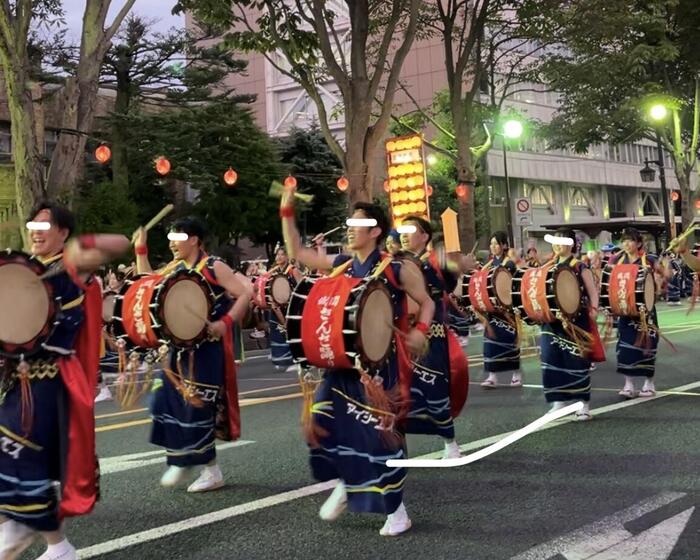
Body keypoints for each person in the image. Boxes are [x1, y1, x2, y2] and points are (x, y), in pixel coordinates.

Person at [281, 189, 434, 536]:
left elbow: (425, 302)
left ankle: (397, 510)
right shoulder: (342, 265)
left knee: (379, 440)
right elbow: (298, 253)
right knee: (320, 425)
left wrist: (421, 330)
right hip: (341, 364)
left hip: (380, 369)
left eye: (358, 224)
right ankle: (348, 481)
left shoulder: (397, 268)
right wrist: (287, 213)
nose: (351, 230)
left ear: (376, 230)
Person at [0, 202, 129, 560]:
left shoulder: (72, 266)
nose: (35, 231)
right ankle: (51, 543)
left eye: (44, 225)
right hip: (19, 381)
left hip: (51, 381)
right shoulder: (23, 270)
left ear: (63, 233)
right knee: (20, 461)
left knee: (19, 457)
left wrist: (79, 247)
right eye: (32, 225)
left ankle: (32, 533)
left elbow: (118, 241)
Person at [134, 217, 252, 493]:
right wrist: (141, 250)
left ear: (195, 239)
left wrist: (225, 323)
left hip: (207, 349)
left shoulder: (214, 266)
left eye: (178, 237)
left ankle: (210, 470)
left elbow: (246, 293)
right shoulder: (177, 268)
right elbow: (147, 284)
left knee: (196, 408)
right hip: (178, 350)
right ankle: (182, 459)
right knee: (162, 401)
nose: (173, 243)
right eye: (171, 239)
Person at [399, 217, 467, 459]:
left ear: (425, 236)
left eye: (411, 230)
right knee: (398, 395)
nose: (404, 235)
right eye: (402, 230)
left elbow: (451, 273)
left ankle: (450, 442)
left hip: (431, 339)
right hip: (401, 340)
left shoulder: (434, 264)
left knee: (434, 391)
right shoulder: (394, 264)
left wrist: (454, 255)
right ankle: (395, 450)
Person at [538, 230, 602, 420]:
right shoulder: (548, 266)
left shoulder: (580, 266)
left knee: (576, 362)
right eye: (555, 242)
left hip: (577, 321)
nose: (558, 245)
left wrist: (595, 308)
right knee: (551, 360)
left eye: (562, 241)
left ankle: (583, 404)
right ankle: (558, 402)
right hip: (552, 322)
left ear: (572, 244)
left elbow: (592, 292)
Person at [609, 228, 659, 398]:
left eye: (630, 240)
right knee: (624, 348)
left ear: (638, 243)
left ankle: (649, 383)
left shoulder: (649, 260)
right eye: (624, 241)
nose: (626, 244)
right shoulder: (617, 261)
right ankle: (628, 384)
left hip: (646, 312)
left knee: (647, 347)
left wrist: (660, 277)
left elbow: (664, 276)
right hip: (625, 310)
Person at [479, 231, 522, 388]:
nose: (493, 247)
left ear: (504, 245)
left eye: (496, 243)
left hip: (507, 311)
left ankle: (516, 374)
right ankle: (492, 376)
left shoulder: (509, 264)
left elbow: (512, 285)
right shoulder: (489, 265)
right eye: (491, 244)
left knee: (510, 343)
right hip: (492, 310)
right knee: (490, 343)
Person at [266, 246, 301, 371]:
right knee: (277, 333)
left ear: (287, 257)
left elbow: (302, 287)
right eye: (277, 255)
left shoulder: (293, 270)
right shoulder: (275, 271)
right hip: (277, 306)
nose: (279, 257)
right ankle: (280, 359)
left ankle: (295, 360)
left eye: (282, 254)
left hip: (291, 305)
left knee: (291, 332)